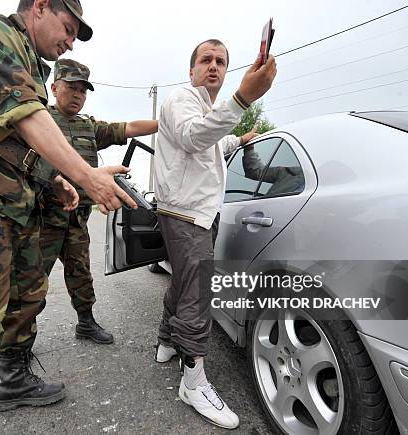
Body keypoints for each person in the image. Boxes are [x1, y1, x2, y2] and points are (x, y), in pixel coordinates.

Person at [0, 1, 137, 433]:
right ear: (40, 7)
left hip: (13, 207)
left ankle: (14, 379)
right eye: (68, 27)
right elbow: (27, 117)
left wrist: (58, 181)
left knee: (27, 296)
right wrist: (86, 176)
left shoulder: (30, 62)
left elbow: (17, 141)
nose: (71, 40)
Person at [152, 39, 277, 429]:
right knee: (197, 293)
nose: (214, 66)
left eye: (221, 61)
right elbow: (193, 137)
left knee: (183, 283)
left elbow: (213, 141)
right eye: (206, 60)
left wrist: (239, 139)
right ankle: (194, 384)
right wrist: (242, 99)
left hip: (193, 214)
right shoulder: (181, 99)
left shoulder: (207, 109)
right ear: (191, 70)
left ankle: (166, 341)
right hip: (186, 214)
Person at [40, 59, 158, 344]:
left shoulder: (89, 127)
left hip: (76, 221)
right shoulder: (39, 121)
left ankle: (86, 323)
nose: (78, 94)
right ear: (55, 87)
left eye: (83, 89)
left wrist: (167, 122)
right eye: (72, 87)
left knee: (81, 274)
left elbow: (127, 127)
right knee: (30, 283)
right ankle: (16, 349)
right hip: (40, 220)